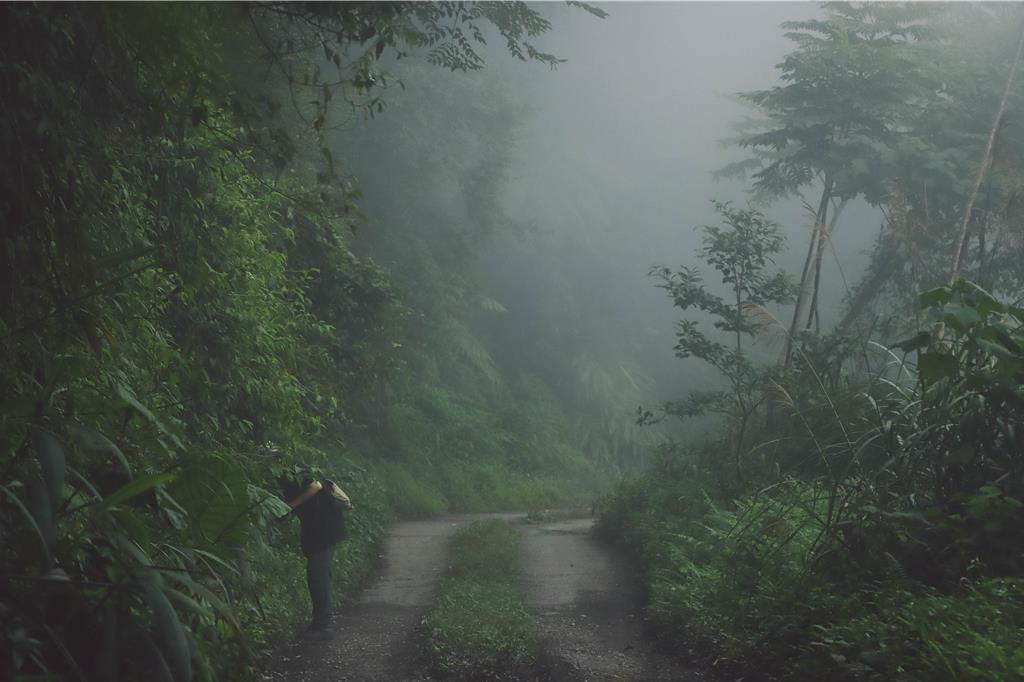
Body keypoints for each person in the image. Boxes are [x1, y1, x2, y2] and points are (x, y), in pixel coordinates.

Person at [280, 474, 354, 640]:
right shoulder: (285, 469)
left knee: (319, 576)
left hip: (323, 529)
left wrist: (290, 506)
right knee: (317, 575)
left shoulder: (291, 468)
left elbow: (316, 485)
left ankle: (324, 625)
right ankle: (320, 623)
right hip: (317, 528)